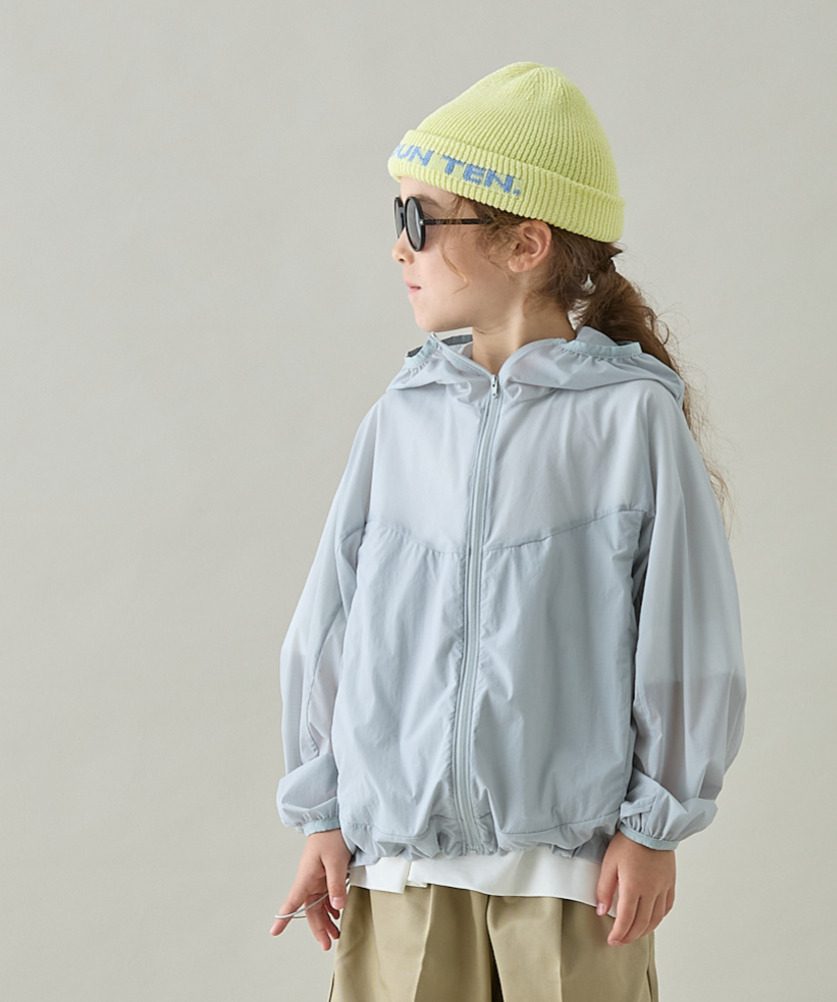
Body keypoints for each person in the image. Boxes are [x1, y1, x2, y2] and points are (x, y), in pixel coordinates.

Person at [269, 62, 746, 1002]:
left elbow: (688, 640)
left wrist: (653, 828)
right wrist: (321, 813)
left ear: (525, 242)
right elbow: (327, 630)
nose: (398, 248)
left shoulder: (631, 423)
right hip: (400, 871)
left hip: (568, 880)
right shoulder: (399, 422)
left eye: (419, 221)